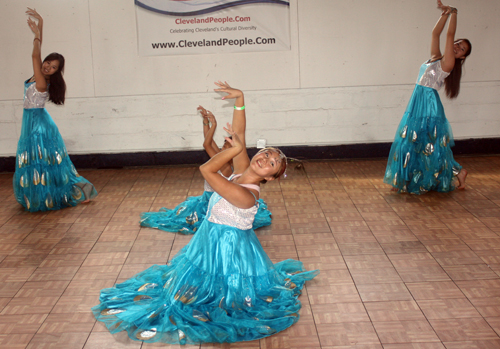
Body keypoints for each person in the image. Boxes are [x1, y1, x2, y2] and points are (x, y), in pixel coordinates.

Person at [92, 82, 318, 345]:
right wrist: (240, 100)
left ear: (271, 177)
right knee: (190, 285)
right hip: (210, 238)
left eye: (272, 163)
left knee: (218, 297)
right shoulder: (242, 169)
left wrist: (233, 150)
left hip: (229, 248)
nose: (266, 159)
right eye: (266, 154)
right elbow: (240, 133)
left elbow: (207, 171)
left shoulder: (247, 195)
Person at [13, 8, 97, 212]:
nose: (47, 67)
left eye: (53, 67)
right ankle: (39, 196)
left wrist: (36, 36)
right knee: (38, 162)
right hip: (35, 121)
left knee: (43, 163)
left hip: (38, 125)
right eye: (48, 63)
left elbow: (35, 56)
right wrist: (40, 23)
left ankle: (73, 193)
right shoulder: (40, 75)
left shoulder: (42, 81)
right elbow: (38, 58)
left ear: (57, 72)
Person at [139, 106, 272, 234]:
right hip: (208, 198)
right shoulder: (221, 159)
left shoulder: (224, 166)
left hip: (212, 204)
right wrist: (206, 123)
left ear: (233, 154)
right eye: (224, 145)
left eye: (227, 148)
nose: (222, 149)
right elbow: (209, 142)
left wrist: (213, 125)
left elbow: (206, 144)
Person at [384, 0, 471, 194]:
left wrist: (454, 12)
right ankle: (406, 179)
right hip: (418, 100)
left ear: (462, 57)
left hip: (429, 103)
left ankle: (456, 171)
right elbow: (435, 34)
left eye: (462, 49)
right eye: (458, 44)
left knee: (429, 144)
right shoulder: (436, 57)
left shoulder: (448, 62)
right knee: (411, 140)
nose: (457, 47)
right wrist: (444, 14)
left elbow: (449, 34)